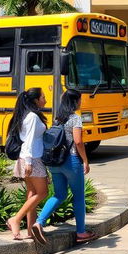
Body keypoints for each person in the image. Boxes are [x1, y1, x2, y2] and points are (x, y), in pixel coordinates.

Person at [31, 89, 96, 244]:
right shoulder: (75, 118)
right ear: (75, 101)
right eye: (80, 100)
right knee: (79, 196)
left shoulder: (57, 119)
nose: (81, 102)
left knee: (59, 195)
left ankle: (39, 222)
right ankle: (81, 232)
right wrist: (85, 160)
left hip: (55, 163)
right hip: (71, 161)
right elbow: (78, 142)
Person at [6, 87, 48, 240]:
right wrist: (29, 162)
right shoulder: (32, 117)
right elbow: (28, 140)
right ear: (36, 100)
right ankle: (15, 219)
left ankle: (30, 231)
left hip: (27, 158)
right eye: (43, 97)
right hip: (32, 158)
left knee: (31, 193)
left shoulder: (25, 115)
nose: (45, 100)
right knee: (43, 193)